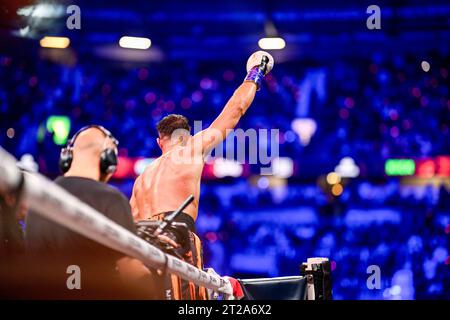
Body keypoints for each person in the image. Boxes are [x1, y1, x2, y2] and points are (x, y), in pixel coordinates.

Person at [130, 51, 274, 299]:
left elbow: (130, 224)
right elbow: (235, 110)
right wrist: (255, 73)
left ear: (159, 141)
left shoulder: (142, 178)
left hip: (141, 245)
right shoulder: (190, 149)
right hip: (174, 235)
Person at [24, 125, 161, 299]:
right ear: (108, 159)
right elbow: (131, 273)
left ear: (67, 157)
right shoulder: (111, 199)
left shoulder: (39, 200)